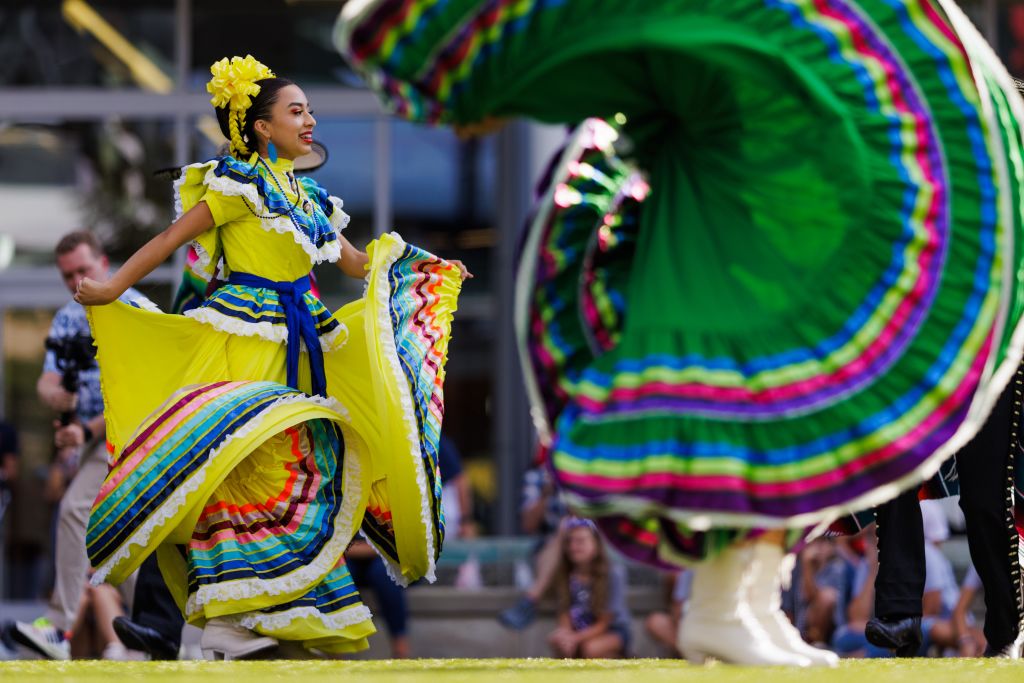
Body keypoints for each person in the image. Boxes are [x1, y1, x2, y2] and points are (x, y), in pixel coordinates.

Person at [337, 0, 1024, 667]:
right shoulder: (706, 46)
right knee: (740, 429)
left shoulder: (756, 46)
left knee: (780, 435)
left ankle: (747, 604)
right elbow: (613, 51)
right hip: (710, 256)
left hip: (748, 250)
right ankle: (722, 608)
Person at [76, 55, 468, 659]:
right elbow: (166, 240)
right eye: (296, 110)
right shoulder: (235, 186)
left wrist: (426, 272)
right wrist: (109, 289)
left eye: (309, 109)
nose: (309, 119)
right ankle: (227, 619)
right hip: (241, 339)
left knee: (300, 470)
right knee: (240, 469)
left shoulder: (307, 195)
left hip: (301, 339)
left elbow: (361, 265)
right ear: (262, 126)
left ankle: (245, 618)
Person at [12, 231, 156, 661]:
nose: (76, 280)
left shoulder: (135, 309)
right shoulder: (67, 318)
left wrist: (86, 432)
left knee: (78, 510)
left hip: (139, 437)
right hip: (102, 442)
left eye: (83, 269)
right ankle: (150, 630)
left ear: (105, 263)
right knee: (123, 539)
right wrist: (55, 398)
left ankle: (59, 627)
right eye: (67, 275)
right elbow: (48, 378)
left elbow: (143, 393)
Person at [546, 518, 631, 659]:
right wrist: (566, 636)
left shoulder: (613, 573)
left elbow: (605, 622)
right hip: (577, 630)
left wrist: (575, 638)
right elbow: (564, 611)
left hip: (612, 630)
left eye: (580, 541)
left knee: (590, 649)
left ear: (596, 544)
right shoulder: (564, 573)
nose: (573, 547)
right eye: (569, 542)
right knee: (559, 642)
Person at [643, 569, 691, 657]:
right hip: (686, 629)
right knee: (655, 622)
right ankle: (691, 651)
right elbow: (678, 606)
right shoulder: (689, 572)